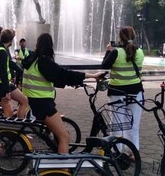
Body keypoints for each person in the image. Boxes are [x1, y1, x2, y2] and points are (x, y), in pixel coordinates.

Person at [22, 33, 102, 154]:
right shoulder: (44, 61)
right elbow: (63, 73)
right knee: (64, 137)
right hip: (43, 104)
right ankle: (63, 169)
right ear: (50, 46)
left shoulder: (33, 59)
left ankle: (55, 153)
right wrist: (92, 76)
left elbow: (52, 78)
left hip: (36, 102)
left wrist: (71, 83)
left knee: (59, 134)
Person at [102, 26, 144, 156]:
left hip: (117, 93)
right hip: (136, 92)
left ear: (120, 38)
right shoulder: (140, 52)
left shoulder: (116, 52)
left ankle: (117, 152)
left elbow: (104, 65)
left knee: (117, 124)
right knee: (133, 124)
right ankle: (133, 152)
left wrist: (108, 51)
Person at [0, 29, 29, 118]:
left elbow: (9, 63)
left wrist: (22, 71)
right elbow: (3, 72)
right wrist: (7, 91)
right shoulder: (1, 52)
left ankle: (17, 124)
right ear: (11, 41)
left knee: (23, 101)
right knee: (11, 111)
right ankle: (9, 129)